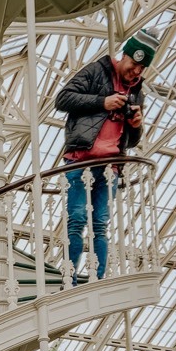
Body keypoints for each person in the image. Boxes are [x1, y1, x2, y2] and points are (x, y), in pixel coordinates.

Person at [55, 28, 160, 283]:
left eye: (141, 69)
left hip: (109, 166)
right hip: (80, 159)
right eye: (134, 64)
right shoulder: (96, 71)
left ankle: (98, 277)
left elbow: (131, 141)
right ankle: (69, 275)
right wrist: (103, 102)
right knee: (77, 218)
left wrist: (136, 125)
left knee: (100, 223)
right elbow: (63, 99)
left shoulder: (137, 92)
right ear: (125, 55)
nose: (136, 72)